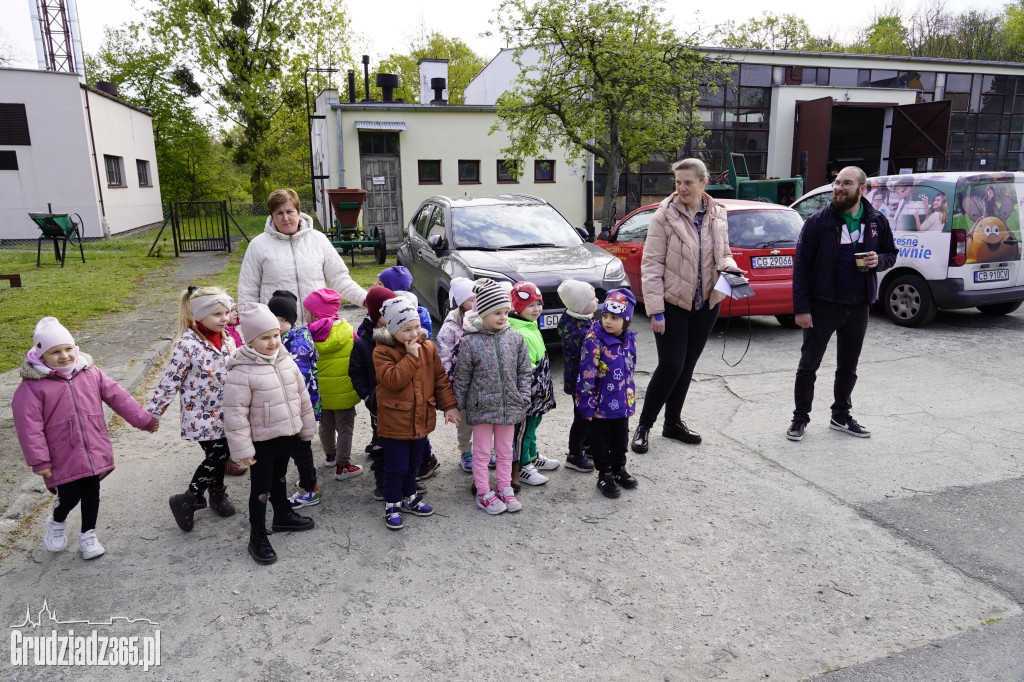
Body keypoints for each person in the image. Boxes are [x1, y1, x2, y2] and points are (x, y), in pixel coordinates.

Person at [13, 317, 159, 559]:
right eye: (55, 352)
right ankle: (57, 521)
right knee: (69, 495)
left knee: (92, 492)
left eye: (68, 349)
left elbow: (118, 397)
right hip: (61, 454)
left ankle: (88, 535)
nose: (64, 356)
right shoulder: (32, 387)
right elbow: (29, 427)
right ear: (40, 356)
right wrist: (40, 461)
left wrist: (144, 420)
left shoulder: (90, 372)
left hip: (93, 446)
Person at [632, 158, 740, 454]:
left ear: (704, 183)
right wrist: (654, 309)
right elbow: (651, 265)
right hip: (672, 304)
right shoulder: (663, 216)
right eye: (677, 182)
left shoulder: (718, 213)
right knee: (670, 365)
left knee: (687, 366)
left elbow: (724, 252)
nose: (681, 188)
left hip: (707, 304)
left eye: (688, 182)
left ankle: (673, 423)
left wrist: (731, 268)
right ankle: (644, 425)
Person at [787, 166, 898, 442]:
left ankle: (840, 415)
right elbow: (801, 268)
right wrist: (802, 309)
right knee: (808, 365)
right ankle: (800, 418)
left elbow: (890, 253)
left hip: (859, 305)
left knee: (848, 366)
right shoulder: (817, 222)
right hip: (823, 305)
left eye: (846, 183)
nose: (839, 188)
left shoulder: (875, 221)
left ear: (862, 189)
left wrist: (879, 261)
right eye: (837, 182)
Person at [224, 303, 316, 565]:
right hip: (261, 442)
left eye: (275, 335)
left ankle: (283, 515)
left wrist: (306, 428)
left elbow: (302, 396)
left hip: (286, 435)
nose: (273, 342)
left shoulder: (286, 361)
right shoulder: (241, 371)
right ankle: (257, 534)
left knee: (280, 477)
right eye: (265, 338)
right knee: (260, 488)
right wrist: (242, 451)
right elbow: (235, 414)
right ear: (250, 340)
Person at [148, 286, 239, 532]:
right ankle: (188, 499)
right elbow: (170, 380)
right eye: (217, 314)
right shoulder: (187, 344)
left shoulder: (227, 339)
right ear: (198, 316)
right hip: (200, 415)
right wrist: (154, 412)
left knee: (219, 455)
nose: (225, 318)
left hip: (226, 412)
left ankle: (217, 495)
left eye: (227, 312)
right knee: (219, 454)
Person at [373, 297, 460, 530]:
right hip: (395, 422)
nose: (414, 333)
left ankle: (410, 496)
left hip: (421, 418)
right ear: (392, 330)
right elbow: (393, 380)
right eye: (406, 329)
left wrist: (449, 406)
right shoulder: (382, 351)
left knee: (413, 465)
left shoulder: (428, 348)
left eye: (416, 327)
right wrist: (411, 356)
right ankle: (392, 502)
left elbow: (440, 380)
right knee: (396, 466)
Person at [452, 280, 532, 514]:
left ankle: (505, 488)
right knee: (482, 453)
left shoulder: (515, 338)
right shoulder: (470, 342)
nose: (503, 317)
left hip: (510, 408)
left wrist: (523, 396)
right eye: (497, 312)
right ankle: (484, 492)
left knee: (506, 451)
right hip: (482, 408)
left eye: (506, 312)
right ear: (483, 313)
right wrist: (458, 405)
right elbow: (462, 377)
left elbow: (524, 370)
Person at [237, 188, 367, 308]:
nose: (285, 218)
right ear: (272, 216)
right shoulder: (258, 245)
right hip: (277, 329)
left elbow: (339, 279)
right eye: (279, 213)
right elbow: (248, 291)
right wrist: (252, 324)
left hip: (316, 326)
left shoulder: (318, 240)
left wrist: (366, 300)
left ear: (298, 212)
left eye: (289, 212)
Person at [577, 289, 639, 499]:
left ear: (626, 321)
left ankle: (619, 468)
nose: (608, 321)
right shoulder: (594, 341)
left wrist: (629, 393)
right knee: (601, 442)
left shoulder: (629, 339)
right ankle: (604, 473)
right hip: (601, 405)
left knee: (620, 439)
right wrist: (585, 403)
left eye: (615, 317)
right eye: (605, 315)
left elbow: (631, 366)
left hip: (622, 401)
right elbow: (586, 374)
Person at [266, 289, 321, 508]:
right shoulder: (288, 338)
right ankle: (308, 482)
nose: (278, 325)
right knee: (296, 449)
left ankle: (309, 489)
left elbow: (294, 381)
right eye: (274, 319)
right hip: (294, 407)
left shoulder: (296, 344)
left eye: (282, 320)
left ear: (290, 320)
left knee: (300, 450)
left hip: (298, 407)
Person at [302, 288, 362, 481]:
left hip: (321, 392)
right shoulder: (346, 330)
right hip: (344, 390)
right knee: (344, 427)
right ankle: (343, 465)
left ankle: (331, 455)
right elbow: (358, 350)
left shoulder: (306, 333)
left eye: (306, 311)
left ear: (316, 313)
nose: (304, 315)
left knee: (325, 424)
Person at [348, 285, 398, 501]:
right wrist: (367, 397)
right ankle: (381, 480)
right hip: (378, 405)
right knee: (380, 443)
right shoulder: (363, 343)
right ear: (378, 315)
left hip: (403, 403)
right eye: (390, 315)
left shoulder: (401, 336)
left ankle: (406, 476)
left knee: (403, 441)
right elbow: (356, 373)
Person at [508, 281, 558, 488]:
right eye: (530, 305)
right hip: (529, 395)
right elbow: (525, 370)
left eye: (539, 304)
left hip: (538, 393)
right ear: (518, 307)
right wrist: (534, 392)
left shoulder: (530, 324)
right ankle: (522, 465)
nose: (536, 309)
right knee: (523, 431)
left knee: (532, 427)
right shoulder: (519, 332)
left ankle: (533, 455)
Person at [556, 279, 598, 472]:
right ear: (580, 306)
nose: (597, 300)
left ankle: (589, 445)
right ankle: (574, 454)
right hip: (582, 383)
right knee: (582, 417)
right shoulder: (579, 332)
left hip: (580, 380)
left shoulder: (573, 319)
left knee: (587, 415)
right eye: (592, 298)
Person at [436, 277, 477, 473]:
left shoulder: (482, 319)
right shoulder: (450, 327)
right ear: (461, 301)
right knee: (465, 421)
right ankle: (466, 451)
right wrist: (448, 386)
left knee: (484, 419)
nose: (475, 302)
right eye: (471, 299)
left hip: (482, 382)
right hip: (461, 384)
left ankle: (483, 449)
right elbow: (443, 358)